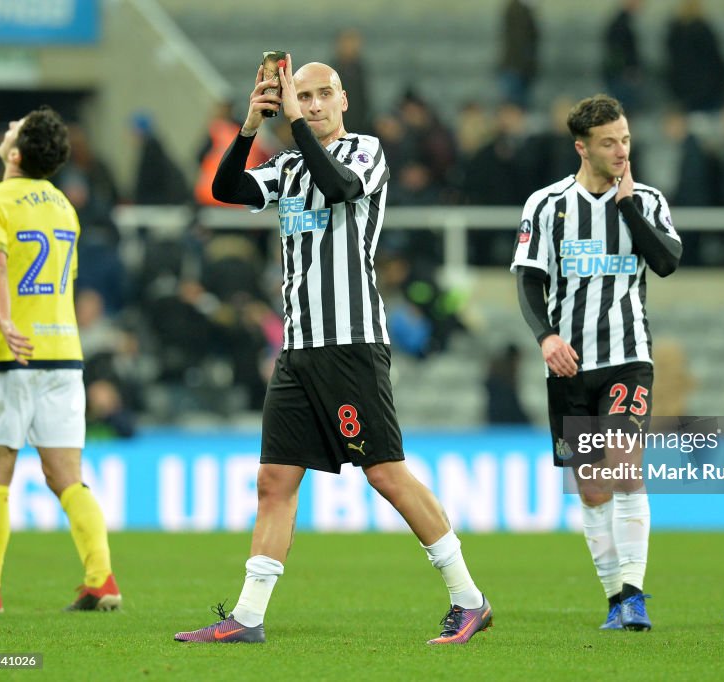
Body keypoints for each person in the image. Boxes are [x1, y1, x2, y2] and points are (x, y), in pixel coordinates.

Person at [174, 56, 491, 645]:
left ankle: (469, 599)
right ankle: (247, 616)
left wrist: (291, 122)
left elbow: (340, 186)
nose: (313, 105)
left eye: (322, 96)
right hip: (298, 347)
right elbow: (225, 188)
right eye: (303, 96)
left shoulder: (365, 152)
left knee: (386, 473)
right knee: (273, 479)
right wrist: (249, 126)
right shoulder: (289, 164)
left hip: (351, 342)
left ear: (343, 99)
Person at [511, 94, 682, 631]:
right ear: (582, 147)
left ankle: (635, 595)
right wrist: (545, 338)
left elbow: (667, 262)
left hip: (628, 357)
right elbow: (528, 279)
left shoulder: (648, 200)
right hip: (569, 366)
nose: (621, 151)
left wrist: (627, 204)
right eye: (609, 142)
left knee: (624, 468)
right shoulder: (546, 205)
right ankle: (615, 598)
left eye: (626, 140)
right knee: (590, 486)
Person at [0, 107, 121, 613]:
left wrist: (4, 319)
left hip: (12, 355)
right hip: (65, 354)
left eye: (13, 130)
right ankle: (101, 579)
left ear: (17, 153)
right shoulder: (64, 207)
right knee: (68, 474)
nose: (5, 131)